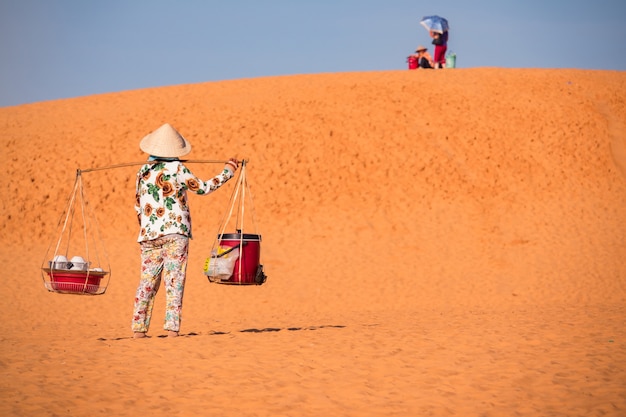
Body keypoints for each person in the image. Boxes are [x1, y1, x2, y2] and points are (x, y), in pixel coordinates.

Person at [131, 123, 239, 339]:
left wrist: (148, 227)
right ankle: (172, 330)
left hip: (148, 236)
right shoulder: (177, 169)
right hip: (175, 233)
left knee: (147, 282)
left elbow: (137, 205)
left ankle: (138, 329)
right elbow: (204, 187)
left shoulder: (142, 171)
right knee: (174, 280)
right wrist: (228, 171)